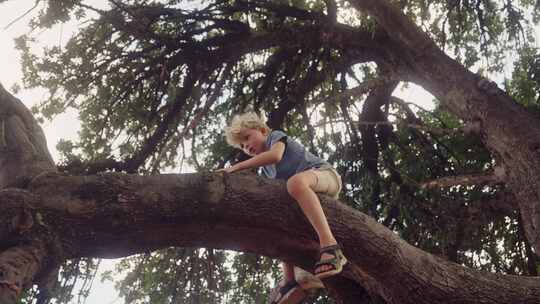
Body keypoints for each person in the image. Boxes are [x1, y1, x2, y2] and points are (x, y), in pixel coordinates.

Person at [220, 112, 347, 304]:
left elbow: (276, 155)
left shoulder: (275, 138)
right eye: (243, 146)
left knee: (295, 183)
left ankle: (330, 245)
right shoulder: (265, 171)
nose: (247, 146)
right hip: (303, 193)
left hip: (325, 176)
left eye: (247, 138)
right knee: (277, 218)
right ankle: (289, 280)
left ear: (262, 130)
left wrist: (236, 168)